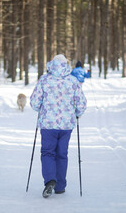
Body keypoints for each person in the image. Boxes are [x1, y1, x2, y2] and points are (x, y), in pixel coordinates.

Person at [30, 54, 87, 198]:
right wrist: (77, 113)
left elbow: (35, 102)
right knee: (62, 154)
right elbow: (81, 103)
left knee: (48, 152)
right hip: (66, 125)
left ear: (52, 64)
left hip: (48, 124)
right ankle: (60, 186)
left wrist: (41, 109)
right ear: (66, 64)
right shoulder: (73, 81)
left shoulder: (44, 80)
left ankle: (50, 180)